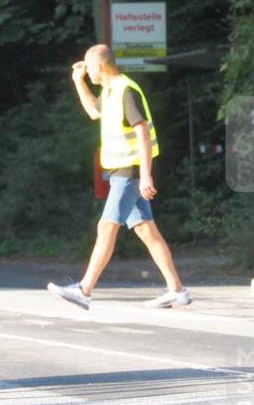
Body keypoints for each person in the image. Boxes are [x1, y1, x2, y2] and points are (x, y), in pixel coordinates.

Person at [48, 44, 191, 310]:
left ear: (100, 66)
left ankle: (84, 289)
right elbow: (93, 111)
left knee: (107, 226)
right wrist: (78, 82)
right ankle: (177, 290)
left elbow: (143, 132)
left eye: (89, 68)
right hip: (122, 172)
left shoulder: (126, 90)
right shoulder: (111, 91)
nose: (88, 71)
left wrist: (146, 174)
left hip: (130, 172)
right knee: (147, 231)